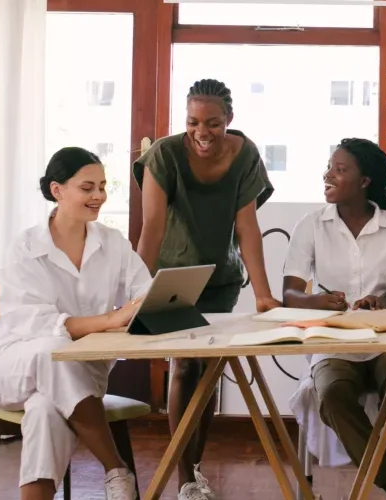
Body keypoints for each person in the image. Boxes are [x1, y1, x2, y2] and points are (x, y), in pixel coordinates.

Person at [133, 78, 281, 500]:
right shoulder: (164, 155)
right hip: (173, 277)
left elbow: (247, 227)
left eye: (213, 123)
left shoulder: (245, 155)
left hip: (220, 280)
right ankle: (184, 477)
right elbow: (152, 228)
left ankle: (194, 471)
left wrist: (264, 294)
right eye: (193, 122)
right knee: (184, 366)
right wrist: (138, 290)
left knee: (209, 372)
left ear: (229, 119)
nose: (202, 132)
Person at [0, 147, 151, 500]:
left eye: (102, 186)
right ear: (57, 190)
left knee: (44, 410)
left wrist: (151, 304)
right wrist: (110, 318)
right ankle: (116, 469)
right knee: (53, 350)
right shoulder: (25, 246)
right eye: (87, 187)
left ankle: (114, 478)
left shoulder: (113, 242)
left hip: (81, 372)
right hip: (11, 366)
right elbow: (34, 324)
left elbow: (144, 292)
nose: (98, 195)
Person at [282, 138, 386, 500]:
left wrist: (380, 301)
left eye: (340, 169)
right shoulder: (311, 225)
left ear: (364, 181)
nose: (328, 175)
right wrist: (318, 301)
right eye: (329, 167)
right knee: (333, 395)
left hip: (384, 340)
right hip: (333, 342)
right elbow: (290, 294)